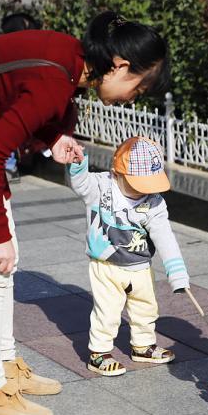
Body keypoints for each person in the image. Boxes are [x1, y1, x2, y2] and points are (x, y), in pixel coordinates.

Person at [0, 11, 169, 415]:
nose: (134, 97)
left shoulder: (69, 60)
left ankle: (7, 365)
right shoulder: (56, 78)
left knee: (6, 264)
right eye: (139, 86)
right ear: (119, 65)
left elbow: (14, 95)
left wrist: (53, 136)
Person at [68, 136, 189, 376]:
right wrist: (79, 164)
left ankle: (143, 346)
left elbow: (164, 235)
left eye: (149, 184)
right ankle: (99, 353)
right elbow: (80, 184)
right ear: (116, 173)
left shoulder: (153, 201)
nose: (144, 190)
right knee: (108, 310)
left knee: (146, 307)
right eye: (137, 184)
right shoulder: (100, 186)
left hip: (141, 264)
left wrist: (177, 272)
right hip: (106, 265)